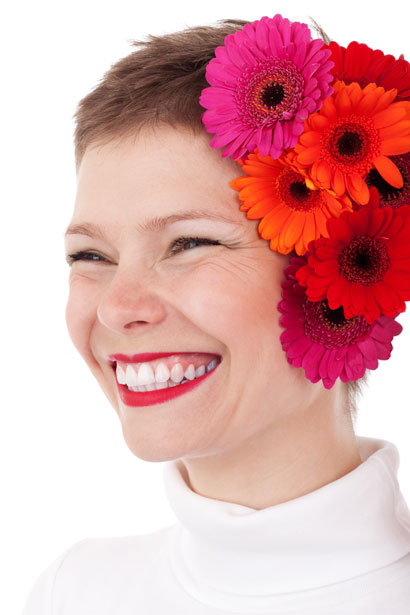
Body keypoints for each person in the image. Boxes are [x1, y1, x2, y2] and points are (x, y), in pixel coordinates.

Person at [23, 14, 410, 614]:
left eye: (188, 244)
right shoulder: (71, 594)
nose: (119, 307)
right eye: (90, 255)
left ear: (351, 271)